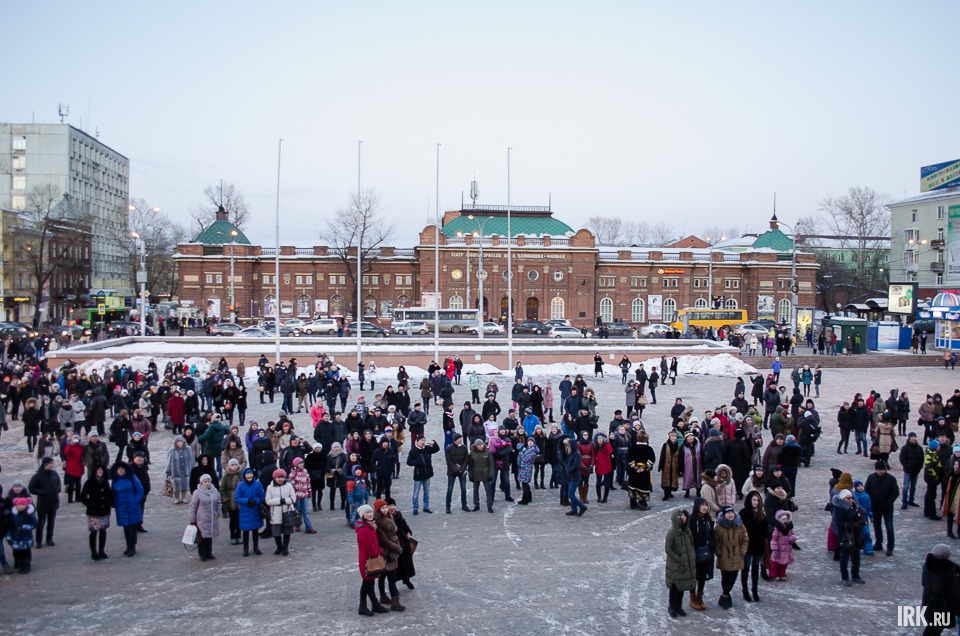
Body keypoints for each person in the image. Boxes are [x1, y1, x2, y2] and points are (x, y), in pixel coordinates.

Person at [355, 504, 390, 616]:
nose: (370, 514)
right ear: (362, 515)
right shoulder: (364, 530)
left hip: (370, 558)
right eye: (367, 513)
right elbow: (369, 547)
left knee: (367, 582)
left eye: (371, 512)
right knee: (368, 582)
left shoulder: (370, 526)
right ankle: (373, 604)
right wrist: (378, 555)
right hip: (368, 560)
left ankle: (364, 606)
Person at [921, 544, 960, 636]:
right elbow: (953, 593)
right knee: (936, 629)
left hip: (928, 602)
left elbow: (923, 582)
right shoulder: (947, 572)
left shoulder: (928, 565)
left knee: (932, 626)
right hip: (941, 606)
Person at [713, 505, 748, 609]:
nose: (730, 515)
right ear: (724, 515)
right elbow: (715, 542)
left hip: (737, 556)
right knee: (725, 577)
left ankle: (725, 595)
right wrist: (719, 552)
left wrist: (742, 552)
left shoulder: (740, 526)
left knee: (733, 577)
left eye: (732, 513)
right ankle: (726, 595)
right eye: (728, 513)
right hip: (724, 556)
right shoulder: (719, 527)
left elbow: (745, 540)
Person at [374, 498, 405, 611]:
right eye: (383, 508)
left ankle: (385, 597)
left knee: (385, 575)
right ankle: (394, 600)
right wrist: (397, 548)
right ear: (378, 510)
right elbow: (384, 540)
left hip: (391, 550)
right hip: (386, 552)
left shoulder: (389, 517)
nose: (385, 510)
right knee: (388, 576)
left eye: (386, 507)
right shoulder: (378, 522)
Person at [664, 508, 696, 619]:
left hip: (685, 564)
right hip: (676, 565)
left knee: (682, 586)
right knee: (675, 588)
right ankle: (672, 607)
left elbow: (691, 544)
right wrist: (679, 558)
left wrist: (690, 557)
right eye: (680, 516)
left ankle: (679, 606)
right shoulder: (672, 532)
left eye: (684, 516)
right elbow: (668, 549)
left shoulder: (687, 531)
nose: (683, 518)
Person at [832, 488, 867, 586]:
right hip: (845, 535)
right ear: (843, 498)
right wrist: (852, 525)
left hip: (856, 534)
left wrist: (861, 521)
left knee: (857, 555)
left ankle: (856, 575)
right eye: (848, 498)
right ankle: (845, 577)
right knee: (845, 556)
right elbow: (839, 523)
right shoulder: (839, 508)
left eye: (851, 498)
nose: (850, 500)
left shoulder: (855, 506)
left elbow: (861, 515)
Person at [864, 460, 899, 556]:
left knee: (889, 527)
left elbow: (895, 492)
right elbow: (867, 491)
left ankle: (890, 547)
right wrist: (871, 502)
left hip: (887, 507)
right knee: (877, 526)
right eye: (877, 470)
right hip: (875, 507)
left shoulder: (891, 479)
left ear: (884, 469)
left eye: (881, 470)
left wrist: (888, 502)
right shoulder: (871, 478)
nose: (879, 472)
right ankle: (878, 543)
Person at [111, 461, 144, 557]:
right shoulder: (115, 480)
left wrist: (136, 501)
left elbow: (139, 489)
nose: (121, 471)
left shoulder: (132, 478)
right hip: (121, 507)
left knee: (132, 527)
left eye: (122, 469)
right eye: (119, 469)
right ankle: (128, 546)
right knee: (126, 528)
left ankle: (132, 547)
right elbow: (113, 493)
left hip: (132, 505)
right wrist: (115, 503)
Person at [79, 465, 112, 561]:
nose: (100, 471)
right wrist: (90, 503)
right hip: (94, 511)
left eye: (102, 469)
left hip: (104, 511)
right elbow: (83, 496)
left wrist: (109, 503)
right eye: (98, 469)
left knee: (103, 531)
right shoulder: (89, 482)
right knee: (93, 532)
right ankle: (94, 552)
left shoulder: (105, 482)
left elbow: (109, 494)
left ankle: (102, 550)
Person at [28, 456, 61, 548]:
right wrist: (43, 492)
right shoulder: (38, 475)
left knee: (51, 522)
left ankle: (49, 539)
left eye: (52, 463)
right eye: (50, 463)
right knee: (41, 523)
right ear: (44, 464)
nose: (51, 465)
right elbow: (31, 488)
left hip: (53, 501)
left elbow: (58, 483)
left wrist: (58, 489)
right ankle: (39, 540)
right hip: (43, 503)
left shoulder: (54, 474)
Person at [689, 497, 715, 610]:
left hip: (706, 551)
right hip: (695, 551)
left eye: (706, 505)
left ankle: (700, 596)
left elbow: (712, 535)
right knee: (694, 575)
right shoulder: (692, 520)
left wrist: (712, 547)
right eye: (702, 505)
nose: (705, 507)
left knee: (703, 576)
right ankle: (692, 597)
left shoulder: (708, 520)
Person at [739, 491, 765, 602]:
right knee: (746, 567)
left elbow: (765, 529)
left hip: (758, 545)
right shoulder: (744, 512)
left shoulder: (761, 513)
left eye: (757, 500)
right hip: (748, 545)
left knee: (755, 568)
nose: (755, 502)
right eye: (754, 500)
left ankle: (754, 590)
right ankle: (745, 590)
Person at [189, 472, 221, 562]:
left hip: (211, 518)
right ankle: (202, 554)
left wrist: (218, 512)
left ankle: (209, 552)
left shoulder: (215, 491)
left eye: (208, 481)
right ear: (201, 483)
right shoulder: (197, 493)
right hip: (201, 519)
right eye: (205, 481)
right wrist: (193, 520)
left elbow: (218, 503)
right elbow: (193, 506)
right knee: (202, 537)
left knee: (209, 536)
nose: (207, 483)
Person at [265, 468, 296, 556]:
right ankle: (279, 547)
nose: (280, 479)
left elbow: (293, 498)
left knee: (287, 531)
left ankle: (285, 547)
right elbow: (268, 500)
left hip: (287, 511)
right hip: (276, 512)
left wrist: (285, 500)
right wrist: (279, 501)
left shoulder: (289, 486)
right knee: (276, 532)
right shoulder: (270, 487)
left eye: (282, 477)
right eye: (278, 477)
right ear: (275, 478)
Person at [234, 468, 265, 556]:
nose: (249, 476)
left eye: (250, 474)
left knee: (255, 530)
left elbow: (262, 497)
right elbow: (237, 498)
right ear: (244, 475)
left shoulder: (258, 484)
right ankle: (246, 548)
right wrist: (247, 501)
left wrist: (255, 501)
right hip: (245, 511)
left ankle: (256, 547)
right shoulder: (241, 485)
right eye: (247, 474)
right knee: (246, 531)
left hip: (255, 510)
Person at [406, 437, 439, 515]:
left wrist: (434, 442)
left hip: (427, 474)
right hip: (418, 475)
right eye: (421, 440)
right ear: (417, 442)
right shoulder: (413, 451)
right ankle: (415, 508)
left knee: (426, 492)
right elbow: (409, 462)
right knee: (416, 493)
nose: (423, 442)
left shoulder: (427, 448)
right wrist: (417, 462)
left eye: (424, 440)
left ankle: (426, 507)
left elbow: (436, 449)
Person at [6, 497, 36, 574]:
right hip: (16, 537)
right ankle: (20, 564)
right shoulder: (13, 516)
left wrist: (24, 527)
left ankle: (26, 566)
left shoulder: (29, 515)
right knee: (18, 553)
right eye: (19, 505)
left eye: (23, 504)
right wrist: (8, 535)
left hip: (26, 538)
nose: (21, 506)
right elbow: (9, 526)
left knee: (26, 553)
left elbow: (34, 525)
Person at [289, 457, 316, 534]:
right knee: (298, 511)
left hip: (305, 494)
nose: (301, 465)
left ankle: (309, 527)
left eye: (302, 463)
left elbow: (308, 482)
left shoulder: (305, 471)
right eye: (299, 463)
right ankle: (297, 525)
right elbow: (291, 486)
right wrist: (293, 495)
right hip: (297, 495)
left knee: (306, 511)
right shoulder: (293, 474)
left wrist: (309, 491)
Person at [769, 509, 797, 581]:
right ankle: (773, 574)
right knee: (775, 563)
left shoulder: (789, 529)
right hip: (779, 549)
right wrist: (774, 549)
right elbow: (774, 540)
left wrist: (792, 538)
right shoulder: (777, 530)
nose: (785, 520)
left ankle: (782, 574)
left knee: (784, 564)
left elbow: (793, 536)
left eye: (786, 519)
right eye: (783, 519)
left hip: (787, 549)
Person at [468, 438, 495, 513]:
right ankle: (476, 505)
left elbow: (491, 464)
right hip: (476, 474)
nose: (481, 446)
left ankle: (489, 506)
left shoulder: (488, 453)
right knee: (475, 491)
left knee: (488, 491)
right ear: (476, 446)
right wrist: (470, 475)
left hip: (485, 475)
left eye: (482, 444)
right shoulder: (472, 453)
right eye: (479, 445)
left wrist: (491, 475)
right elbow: (470, 466)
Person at [899, 432, 924, 509]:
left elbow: (922, 459)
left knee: (913, 486)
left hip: (916, 470)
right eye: (912, 437)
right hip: (908, 470)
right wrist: (907, 466)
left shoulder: (919, 448)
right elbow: (902, 459)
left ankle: (911, 500)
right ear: (909, 438)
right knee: (906, 487)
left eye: (915, 437)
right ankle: (904, 501)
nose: (913, 439)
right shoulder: (905, 448)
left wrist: (919, 467)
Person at [564, 437, 587, 517]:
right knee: (572, 493)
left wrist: (568, 470)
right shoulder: (572, 453)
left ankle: (582, 506)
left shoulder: (576, 454)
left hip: (575, 477)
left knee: (570, 494)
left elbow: (576, 466)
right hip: (571, 476)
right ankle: (574, 509)